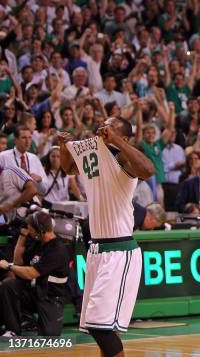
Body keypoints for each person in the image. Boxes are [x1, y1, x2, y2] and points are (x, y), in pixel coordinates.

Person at [59, 117, 155, 357]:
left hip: (120, 251)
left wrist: (117, 143)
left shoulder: (123, 158)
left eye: (110, 127)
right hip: (97, 251)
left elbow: (149, 170)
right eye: (103, 125)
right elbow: (68, 168)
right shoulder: (95, 154)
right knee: (105, 328)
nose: (103, 128)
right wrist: (64, 146)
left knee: (97, 326)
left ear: (123, 137)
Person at [0, 211, 69, 337]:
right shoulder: (38, 242)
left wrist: (9, 266)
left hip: (51, 298)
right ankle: (14, 330)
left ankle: (32, 320)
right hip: (34, 292)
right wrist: (22, 236)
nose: (30, 231)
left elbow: (30, 273)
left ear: (41, 230)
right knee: (9, 286)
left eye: (31, 229)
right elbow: (18, 262)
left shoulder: (57, 249)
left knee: (49, 336)